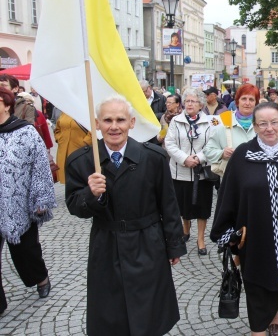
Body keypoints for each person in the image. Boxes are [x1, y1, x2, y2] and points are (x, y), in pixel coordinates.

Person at [65, 95, 186, 336]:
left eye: (120, 120)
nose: (114, 126)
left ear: (131, 123)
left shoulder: (153, 158)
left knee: (149, 311)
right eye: (107, 120)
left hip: (147, 243)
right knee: (111, 312)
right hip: (106, 245)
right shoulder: (82, 161)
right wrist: (91, 194)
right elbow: (74, 206)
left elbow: (169, 205)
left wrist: (173, 246)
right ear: (97, 123)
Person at [210, 102, 278, 336]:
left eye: (274, 123)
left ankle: (274, 317)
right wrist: (225, 232)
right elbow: (228, 194)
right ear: (255, 126)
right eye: (262, 124)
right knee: (257, 286)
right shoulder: (242, 154)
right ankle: (258, 330)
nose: (269, 128)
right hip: (255, 236)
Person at [0, 87, 56, 314]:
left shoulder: (25, 132)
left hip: (18, 205)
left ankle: (41, 278)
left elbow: (40, 167)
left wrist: (40, 199)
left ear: (6, 104)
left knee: (26, 251)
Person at [165, 88, 215, 255]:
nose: (190, 104)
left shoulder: (210, 122)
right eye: (187, 101)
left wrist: (199, 158)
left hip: (202, 173)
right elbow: (169, 143)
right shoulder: (175, 121)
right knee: (183, 206)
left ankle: (200, 239)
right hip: (180, 172)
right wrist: (184, 158)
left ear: (201, 104)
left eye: (193, 101)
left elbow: (213, 143)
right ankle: (186, 230)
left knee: (202, 208)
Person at [203, 84, 259, 178]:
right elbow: (208, 151)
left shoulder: (262, 122)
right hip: (231, 180)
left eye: (251, 99)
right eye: (244, 99)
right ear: (237, 101)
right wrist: (222, 154)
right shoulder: (224, 120)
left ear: (256, 103)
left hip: (257, 179)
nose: (247, 103)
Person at [54, 112, 92, 184]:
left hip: (81, 151)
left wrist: (85, 143)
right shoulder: (65, 112)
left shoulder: (85, 112)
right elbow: (57, 129)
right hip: (63, 150)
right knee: (66, 177)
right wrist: (59, 139)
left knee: (80, 177)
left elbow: (94, 130)